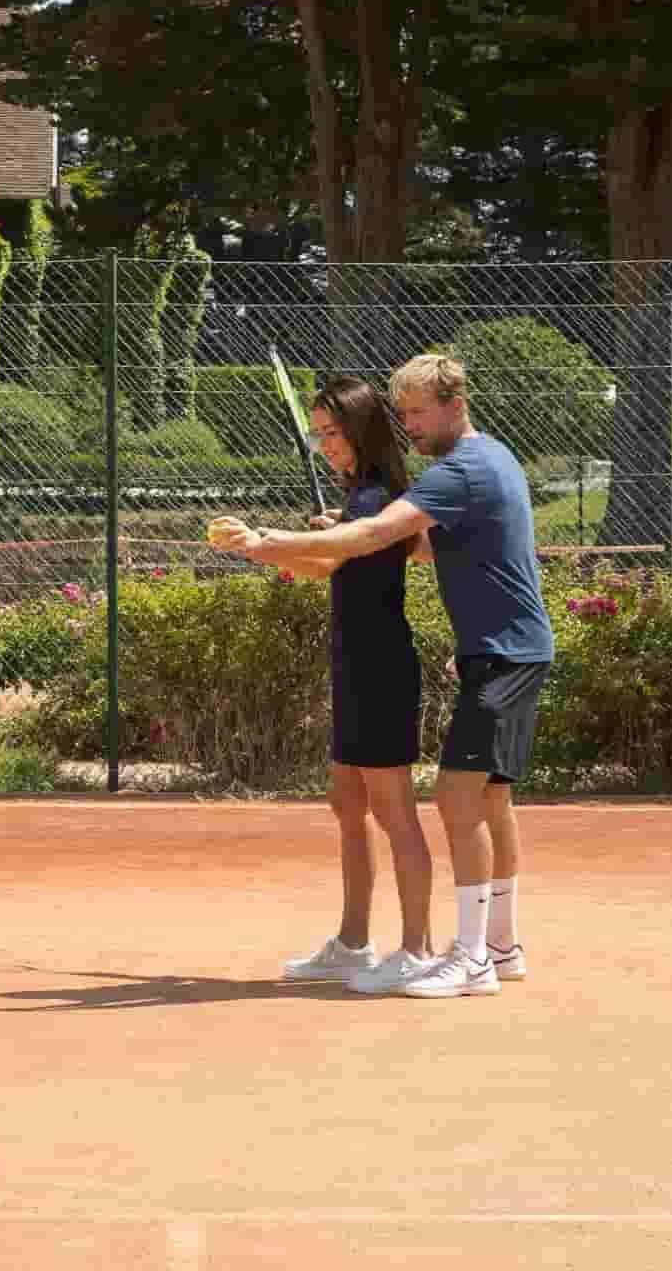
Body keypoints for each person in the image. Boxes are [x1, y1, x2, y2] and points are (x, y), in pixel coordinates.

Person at [210, 353, 554, 998]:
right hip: (499, 648)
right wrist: (327, 536)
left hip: (494, 652)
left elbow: (376, 536)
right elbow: (413, 545)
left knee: (455, 800)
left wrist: (271, 542)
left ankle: (468, 956)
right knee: (487, 799)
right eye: (404, 415)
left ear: (457, 404)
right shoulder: (490, 460)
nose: (411, 427)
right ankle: (498, 947)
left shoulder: (458, 471)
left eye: (419, 413)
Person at [268, 377, 436, 994]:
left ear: (361, 431)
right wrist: (317, 534)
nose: (324, 444)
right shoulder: (364, 500)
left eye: (333, 433)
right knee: (348, 805)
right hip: (353, 664)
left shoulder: (381, 497)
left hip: (380, 668)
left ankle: (416, 950)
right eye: (319, 434)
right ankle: (354, 942)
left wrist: (264, 545)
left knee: (396, 813)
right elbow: (333, 561)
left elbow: (335, 556)